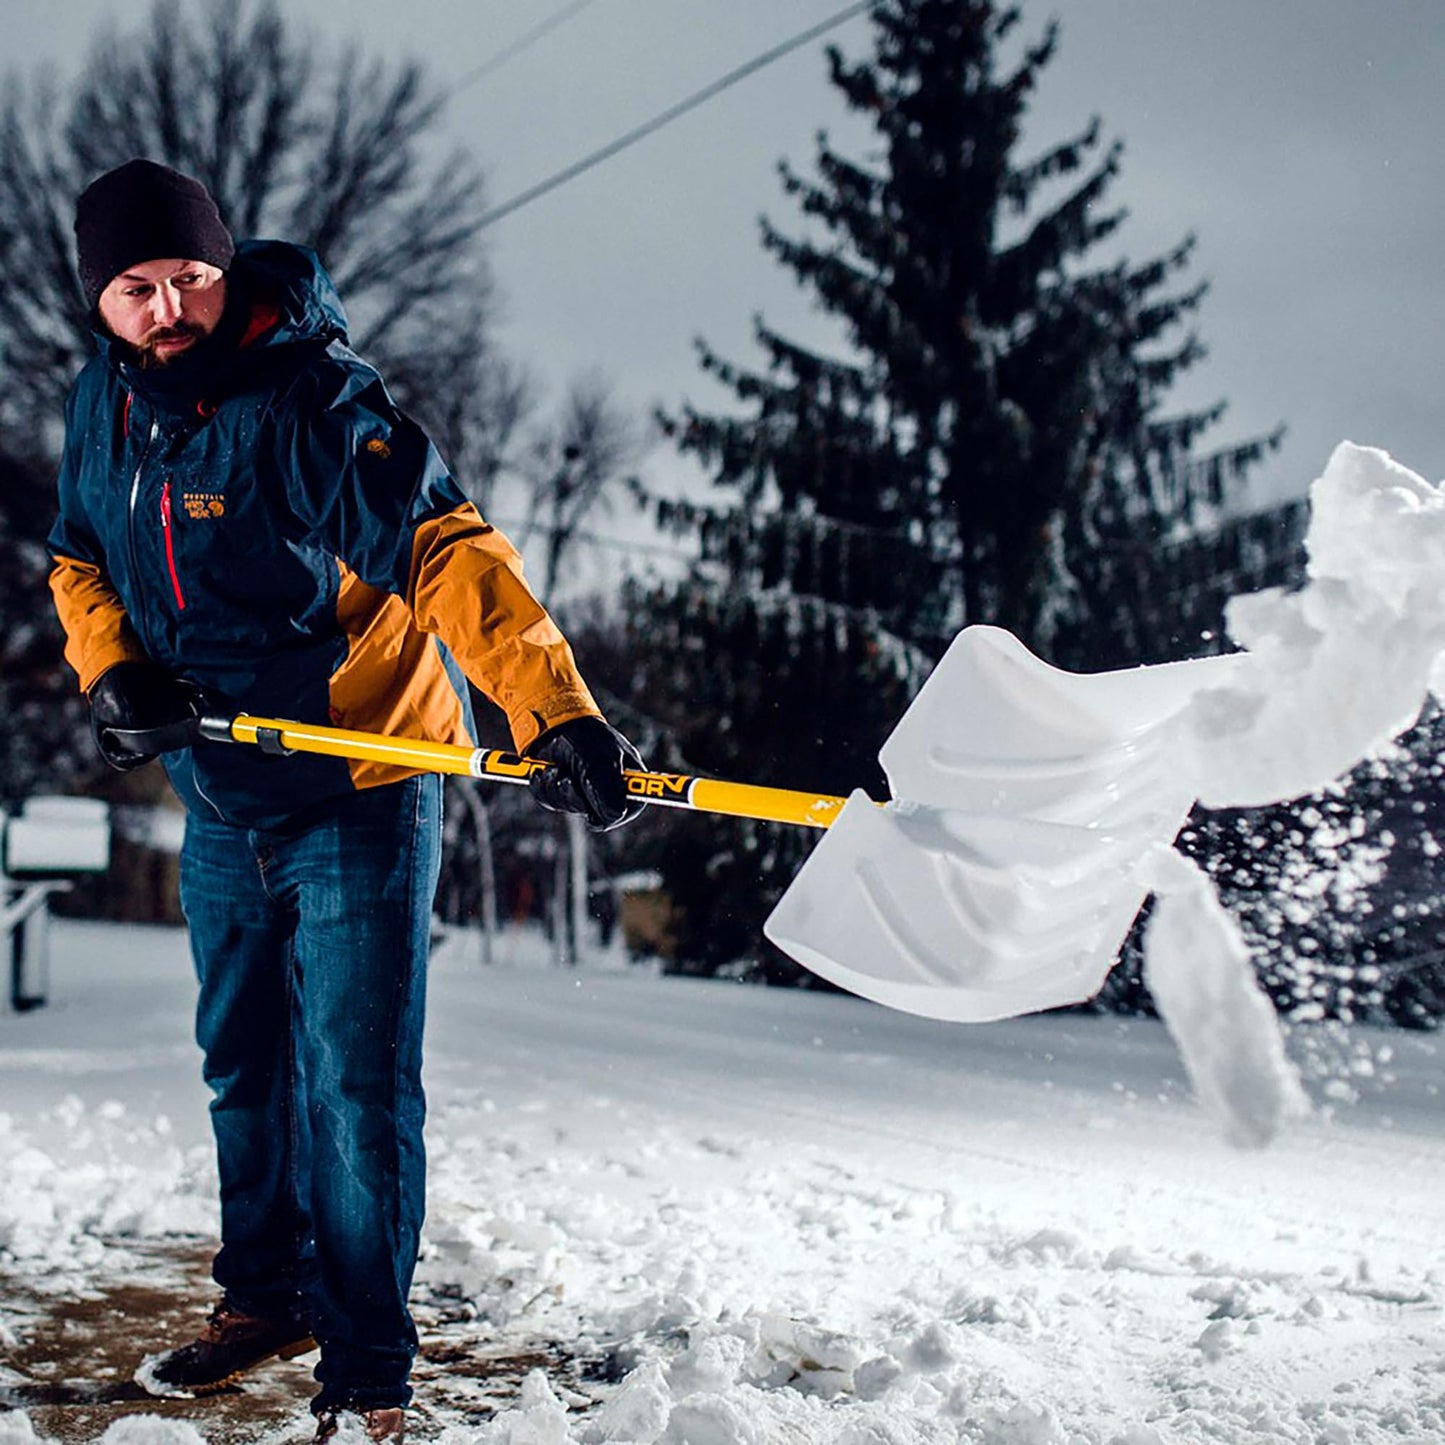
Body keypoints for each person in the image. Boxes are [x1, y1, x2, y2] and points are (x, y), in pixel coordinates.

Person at [47, 159, 643, 1444]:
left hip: (362, 777)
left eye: (190, 279)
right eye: (136, 289)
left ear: (224, 271)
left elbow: (445, 547)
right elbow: (77, 559)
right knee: (242, 1066)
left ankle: (367, 1373)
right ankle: (265, 1299)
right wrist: (116, 669)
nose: (168, 310)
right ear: (98, 303)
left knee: (353, 1085)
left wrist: (555, 709)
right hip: (221, 786)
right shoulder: (99, 407)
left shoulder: (311, 398)